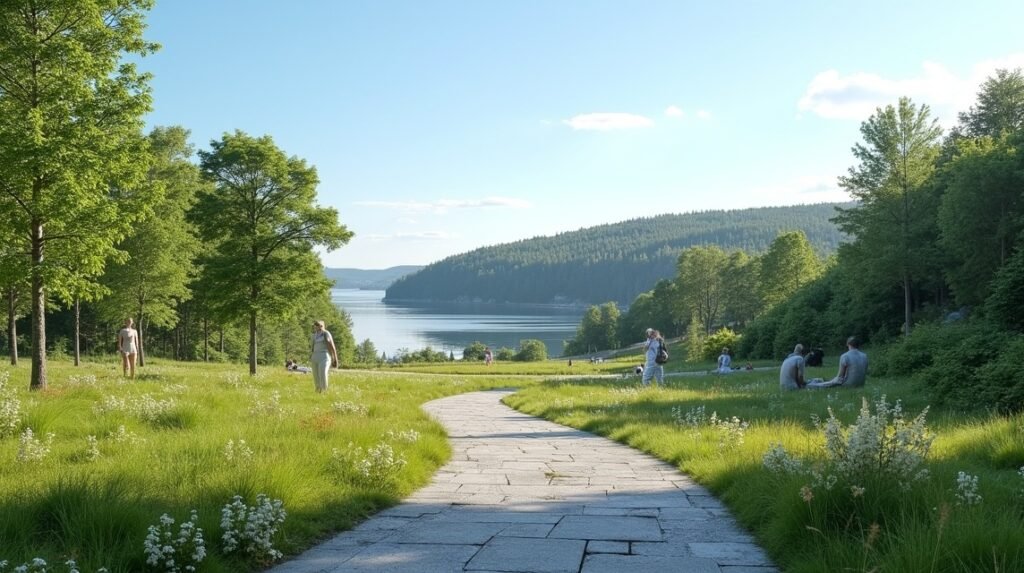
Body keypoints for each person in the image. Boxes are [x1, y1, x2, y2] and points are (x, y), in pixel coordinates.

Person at [310, 320, 339, 393]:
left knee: (322, 373)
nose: (318, 327)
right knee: (316, 376)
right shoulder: (313, 335)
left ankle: (324, 391)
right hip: (315, 356)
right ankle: (318, 391)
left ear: (323, 326)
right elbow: (312, 348)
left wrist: (335, 359)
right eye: (316, 325)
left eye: (320, 325)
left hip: (324, 356)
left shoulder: (326, 333)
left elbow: (332, 346)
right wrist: (311, 356)